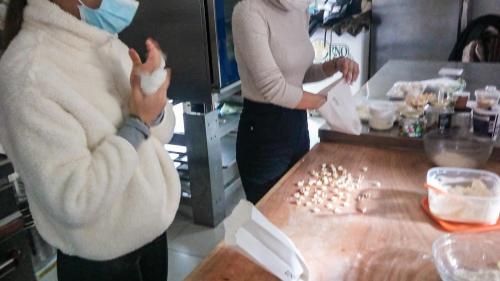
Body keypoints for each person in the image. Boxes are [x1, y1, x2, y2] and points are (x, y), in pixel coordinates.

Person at [0, 0, 180, 280]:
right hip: (101, 261)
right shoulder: (27, 72)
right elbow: (75, 198)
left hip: (151, 234)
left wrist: (150, 97)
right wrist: (137, 122)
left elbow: (160, 134)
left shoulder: (107, 46)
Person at [232, 0, 360, 204]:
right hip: (264, 132)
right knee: (269, 217)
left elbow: (300, 72)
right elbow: (273, 87)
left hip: (297, 126)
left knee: (297, 205)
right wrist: (325, 103)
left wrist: (335, 65)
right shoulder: (248, 12)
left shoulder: (298, 9)